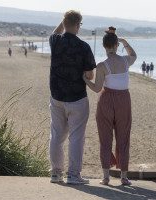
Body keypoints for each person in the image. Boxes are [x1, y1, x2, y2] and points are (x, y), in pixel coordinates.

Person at [83, 27, 137, 186]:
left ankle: (106, 177)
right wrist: (125, 42)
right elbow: (133, 55)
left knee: (105, 139)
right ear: (116, 45)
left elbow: (97, 88)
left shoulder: (101, 65)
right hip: (124, 101)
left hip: (106, 100)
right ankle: (124, 177)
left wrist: (85, 80)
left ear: (104, 46)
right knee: (123, 138)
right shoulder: (126, 61)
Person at [49, 10, 96, 185]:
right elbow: (90, 75)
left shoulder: (55, 41)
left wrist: (64, 21)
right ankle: (74, 175)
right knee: (76, 137)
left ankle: (56, 173)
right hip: (77, 97)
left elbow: (55, 32)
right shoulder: (84, 47)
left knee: (56, 135)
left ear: (64, 23)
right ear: (78, 25)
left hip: (57, 96)